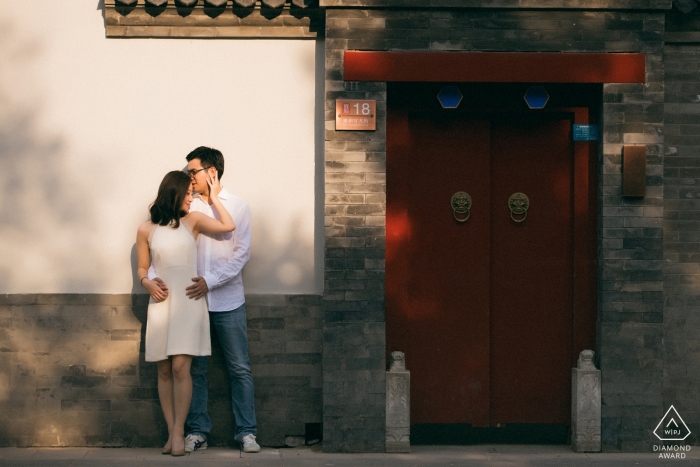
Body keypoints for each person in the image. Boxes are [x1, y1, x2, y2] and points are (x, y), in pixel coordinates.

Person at [150, 146, 260, 453]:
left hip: (227, 300)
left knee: (239, 367)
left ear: (211, 172)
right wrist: (151, 276)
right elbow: (163, 243)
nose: (188, 177)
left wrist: (209, 282)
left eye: (192, 171)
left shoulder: (237, 206)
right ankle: (197, 431)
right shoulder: (185, 207)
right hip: (190, 303)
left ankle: (246, 432)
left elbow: (242, 253)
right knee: (194, 369)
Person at [136, 170, 235, 457]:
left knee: (181, 368)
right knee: (163, 370)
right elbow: (143, 268)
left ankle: (179, 432)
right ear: (175, 193)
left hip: (189, 302)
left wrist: (214, 198)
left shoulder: (192, 222)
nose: (192, 199)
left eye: (192, 194)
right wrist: (147, 283)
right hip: (161, 302)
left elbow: (228, 225)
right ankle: (171, 433)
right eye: (188, 194)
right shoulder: (146, 229)